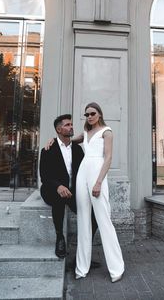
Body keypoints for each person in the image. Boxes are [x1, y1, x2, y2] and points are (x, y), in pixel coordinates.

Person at [74, 102, 124, 283]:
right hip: (82, 174)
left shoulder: (107, 132)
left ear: (99, 114)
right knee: (83, 219)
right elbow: (67, 140)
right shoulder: (86, 133)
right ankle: (81, 267)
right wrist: (53, 140)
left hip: (97, 175)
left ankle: (116, 267)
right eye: (86, 114)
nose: (89, 116)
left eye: (92, 113)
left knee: (103, 219)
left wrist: (98, 182)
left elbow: (108, 158)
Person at [39, 114, 98, 259]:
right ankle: (60, 238)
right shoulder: (48, 149)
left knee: (95, 214)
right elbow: (44, 176)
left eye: (71, 124)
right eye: (67, 125)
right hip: (52, 189)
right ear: (59, 129)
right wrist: (58, 186)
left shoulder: (77, 150)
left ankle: (84, 247)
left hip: (73, 191)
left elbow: (84, 171)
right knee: (59, 199)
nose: (71, 127)